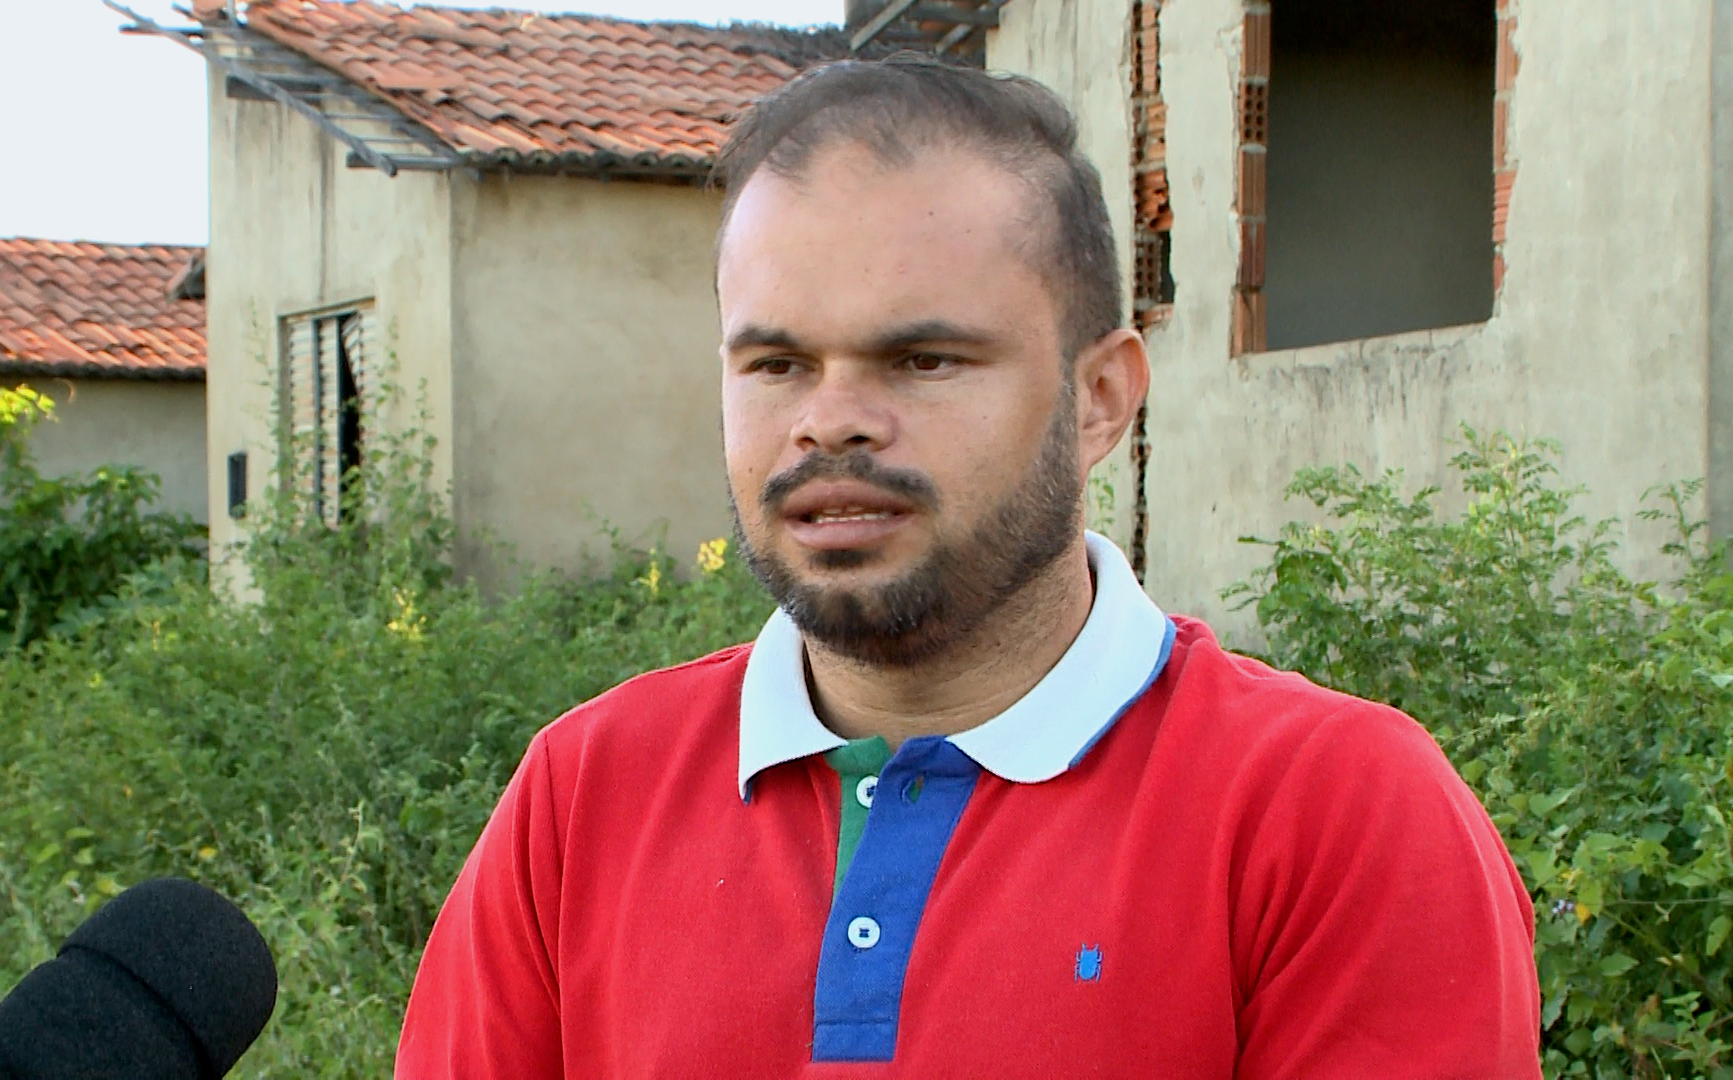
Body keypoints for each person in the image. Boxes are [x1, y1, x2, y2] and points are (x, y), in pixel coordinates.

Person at [395, 56, 1541, 1078]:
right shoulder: (583, 795)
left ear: (1100, 400)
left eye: (923, 358)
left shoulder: (1334, 814)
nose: (832, 423)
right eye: (778, 363)